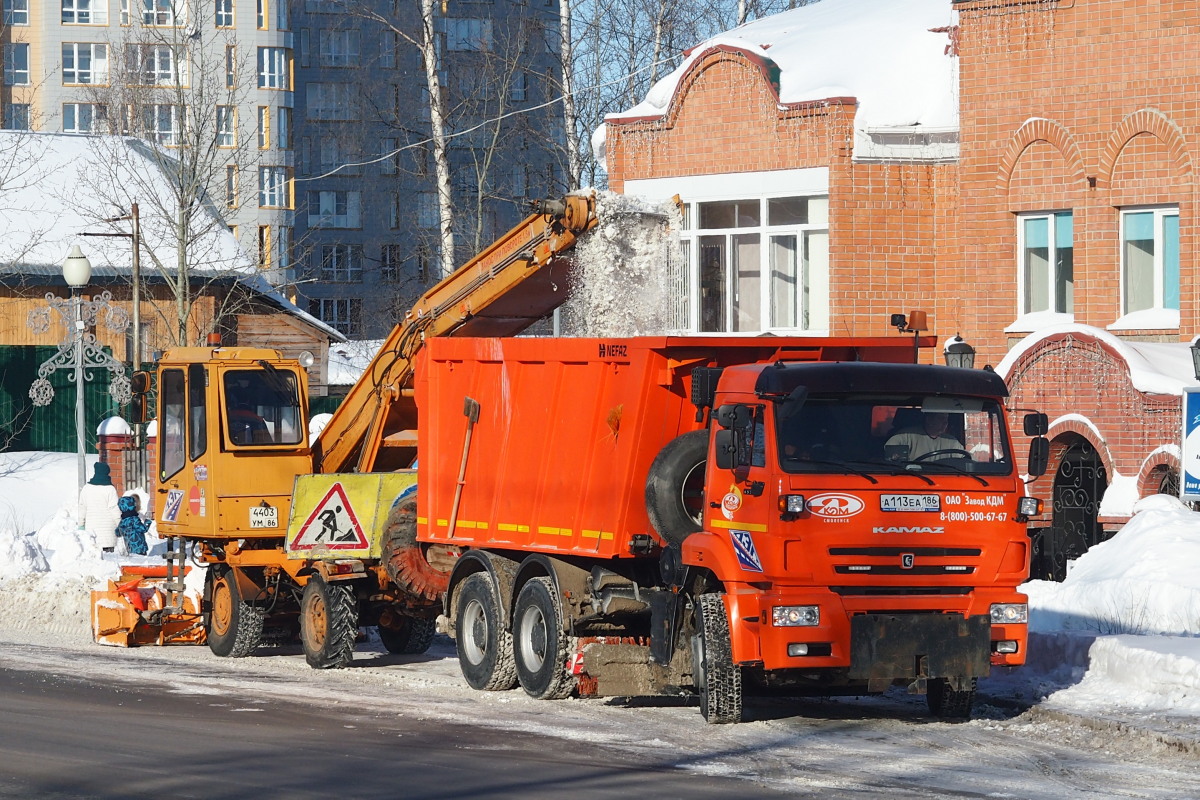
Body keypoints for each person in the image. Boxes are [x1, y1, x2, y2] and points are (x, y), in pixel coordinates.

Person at [885, 411, 965, 462]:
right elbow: (893, 463)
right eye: (941, 418)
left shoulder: (952, 442)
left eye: (946, 419)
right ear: (929, 420)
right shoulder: (904, 436)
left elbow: (967, 460)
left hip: (944, 481)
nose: (945, 422)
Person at [78, 462, 121, 553]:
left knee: (94, 557)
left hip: (91, 531)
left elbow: (82, 508)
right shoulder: (110, 489)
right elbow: (114, 508)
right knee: (108, 559)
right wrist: (120, 524)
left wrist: (81, 525)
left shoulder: (87, 488)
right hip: (108, 532)